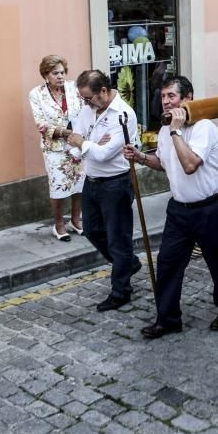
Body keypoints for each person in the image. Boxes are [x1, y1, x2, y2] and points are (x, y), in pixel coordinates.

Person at [124, 76, 218, 338]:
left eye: (171, 97)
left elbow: (189, 165)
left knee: (217, 262)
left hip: (211, 208)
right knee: (167, 263)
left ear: (187, 98)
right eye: (163, 97)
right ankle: (167, 318)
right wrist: (141, 157)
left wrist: (176, 130)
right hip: (179, 209)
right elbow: (166, 163)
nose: (165, 102)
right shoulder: (166, 130)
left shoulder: (204, 128)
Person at [66, 70, 143, 312]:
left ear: (103, 91)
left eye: (88, 98)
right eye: (82, 98)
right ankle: (128, 263)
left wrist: (83, 144)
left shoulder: (123, 114)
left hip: (116, 183)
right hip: (92, 181)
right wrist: (85, 145)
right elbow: (75, 144)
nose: (85, 103)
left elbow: (103, 153)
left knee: (118, 238)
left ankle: (121, 290)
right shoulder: (88, 109)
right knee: (91, 230)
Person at [29, 55, 85, 242]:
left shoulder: (74, 88)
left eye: (62, 72)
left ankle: (76, 220)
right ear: (46, 75)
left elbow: (85, 111)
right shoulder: (36, 94)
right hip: (54, 148)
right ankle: (59, 224)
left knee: (79, 183)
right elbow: (41, 125)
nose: (60, 76)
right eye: (55, 73)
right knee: (58, 186)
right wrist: (64, 132)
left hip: (77, 143)